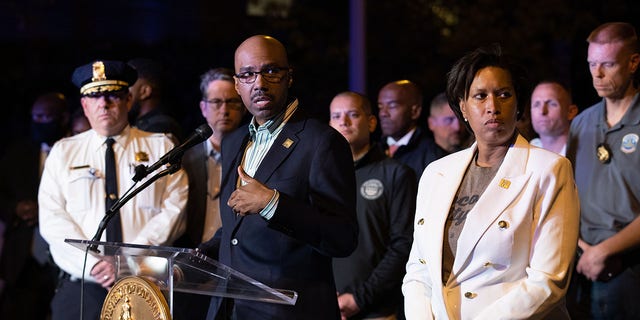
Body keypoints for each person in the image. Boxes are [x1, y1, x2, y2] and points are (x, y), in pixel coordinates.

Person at [402, 44, 580, 319]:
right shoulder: (436, 173)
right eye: (480, 96)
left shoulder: (549, 169)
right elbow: (418, 270)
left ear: (519, 104)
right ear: (463, 107)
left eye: (504, 95)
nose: (492, 107)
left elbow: (547, 280)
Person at [198, 35, 358, 319]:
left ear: (289, 77)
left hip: (289, 312)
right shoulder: (235, 141)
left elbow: (342, 237)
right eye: (247, 74)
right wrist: (192, 258)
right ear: (237, 84)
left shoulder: (321, 142)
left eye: (270, 71)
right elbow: (236, 231)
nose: (259, 83)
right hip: (231, 309)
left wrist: (274, 204)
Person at [38, 60, 188, 320]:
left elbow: (174, 211)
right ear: (84, 105)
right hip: (83, 286)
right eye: (94, 96)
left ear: (128, 100)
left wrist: (125, 260)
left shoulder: (161, 148)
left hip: (145, 282)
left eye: (112, 95)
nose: (103, 104)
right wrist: (96, 264)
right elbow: (52, 220)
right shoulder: (64, 152)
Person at [566, 22, 640, 319]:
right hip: (580, 264)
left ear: (633, 62)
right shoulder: (582, 123)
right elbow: (567, 192)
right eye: (592, 64)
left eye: (608, 64)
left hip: (630, 267)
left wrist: (605, 251)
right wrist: (582, 248)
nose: (597, 74)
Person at [330, 91, 416, 320]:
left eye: (353, 114)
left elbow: (403, 245)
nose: (343, 122)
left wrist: (360, 298)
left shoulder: (396, 174)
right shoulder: (321, 176)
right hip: (326, 306)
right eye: (336, 116)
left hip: (376, 310)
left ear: (371, 122)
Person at [172, 68, 246, 319]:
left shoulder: (255, 156)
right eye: (216, 102)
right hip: (192, 268)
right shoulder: (184, 157)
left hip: (238, 270)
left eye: (232, 102)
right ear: (203, 107)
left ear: (243, 106)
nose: (224, 110)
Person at [0, 92, 69, 319]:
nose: (39, 123)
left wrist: (46, 211)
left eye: (46, 117)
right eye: (35, 117)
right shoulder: (18, 154)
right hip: (23, 257)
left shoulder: (73, 152)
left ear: (62, 118)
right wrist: (15, 208)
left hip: (63, 258)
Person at [377, 80, 442, 179]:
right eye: (380, 107)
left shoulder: (433, 157)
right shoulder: (374, 151)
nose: (383, 113)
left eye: (392, 106)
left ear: (415, 112)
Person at [127, 58, 183, 142]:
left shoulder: (160, 128)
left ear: (145, 91)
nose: (123, 94)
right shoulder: (139, 124)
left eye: (128, 87)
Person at [529, 80, 578, 156]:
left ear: (570, 112)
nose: (542, 111)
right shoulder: (528, 151)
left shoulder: (584, 150)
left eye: (552, 104)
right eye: (536, 105)